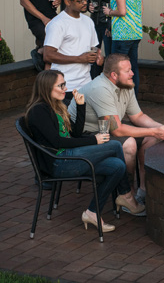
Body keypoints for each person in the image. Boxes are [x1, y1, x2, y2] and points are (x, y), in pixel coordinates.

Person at [25, 70, 145, 233]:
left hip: (68, 157)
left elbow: (75, 133)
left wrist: (81, 106)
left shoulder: (56, 106)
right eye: (60, 85)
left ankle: (92, 212)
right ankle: (125, 194)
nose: (64, 88)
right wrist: (93, 140)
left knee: (117, 166)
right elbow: (57, 142)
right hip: (59, 162)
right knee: (115, 146)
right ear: (47, 87)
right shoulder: (39, 111)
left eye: (64, 84)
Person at [68, 53, 164, 206]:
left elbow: (137, 116)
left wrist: (160, 128)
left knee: (153, 139)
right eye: (128, 71)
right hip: (86, 135)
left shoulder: (125, 84)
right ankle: (127, 195)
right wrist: (154, 130)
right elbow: (117, 130)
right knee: (129, 144)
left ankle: (144, 191)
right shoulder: (100, 89)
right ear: (114, 75)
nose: (132, 73)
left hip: (107, 128)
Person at [43, 0, 103, 106]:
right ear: (67, 2)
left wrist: (98, 57)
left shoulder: (88, 21)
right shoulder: (57, 24)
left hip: (86, 84)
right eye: (80, 0)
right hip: (65, 86)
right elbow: (48, 55)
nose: (85, 3)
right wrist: (79, 59)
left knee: (84, 122)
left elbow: (94, 48)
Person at [104, 0, 142, 95]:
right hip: (135, 32)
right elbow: (140, 10)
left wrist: (109, 12)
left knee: (117, 69)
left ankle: (118, 99)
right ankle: (134, 98)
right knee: (133, 68)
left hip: (122, 34)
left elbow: (122, 11)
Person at [89, 0, 117, 78]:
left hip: (107, 24)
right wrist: (88, 6)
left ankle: (107, 80)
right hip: (94, 23)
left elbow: (117, 6)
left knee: (109, 55)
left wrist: (110, 26)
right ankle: (93, 79)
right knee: (93, 53)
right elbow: (89, 0)